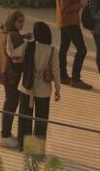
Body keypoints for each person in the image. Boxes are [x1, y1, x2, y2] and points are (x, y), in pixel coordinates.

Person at [17, 22, 61, 153]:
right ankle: (36, 149)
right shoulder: (52, 50)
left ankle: (23, 145)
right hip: (43, 90)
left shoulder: (28, 45)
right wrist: (58, 89)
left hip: (26, 87)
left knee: (24, 117)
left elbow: (16, 55)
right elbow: (56, 70)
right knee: (41, 120)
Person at [55, 0, 92, 89]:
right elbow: (65, 8)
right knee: (82, 50)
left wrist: (78, 2)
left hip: (63, 21)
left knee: (63, 48)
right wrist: (80, 4)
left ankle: (63, 76)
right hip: (69, 22)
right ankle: (75, 79)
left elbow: (65, 4)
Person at [0, 9, 28, 150]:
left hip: (5, 74)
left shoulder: (4, 32)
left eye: (23, 22)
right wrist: (26, 44)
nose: (22, 25)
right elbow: (13, 53)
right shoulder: (11, 35)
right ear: (13, 21)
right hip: (11, 76)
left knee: (10, 103)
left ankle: (7, 134)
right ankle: (4, 136)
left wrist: (22, 37)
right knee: (10, 104)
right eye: (20, 22)